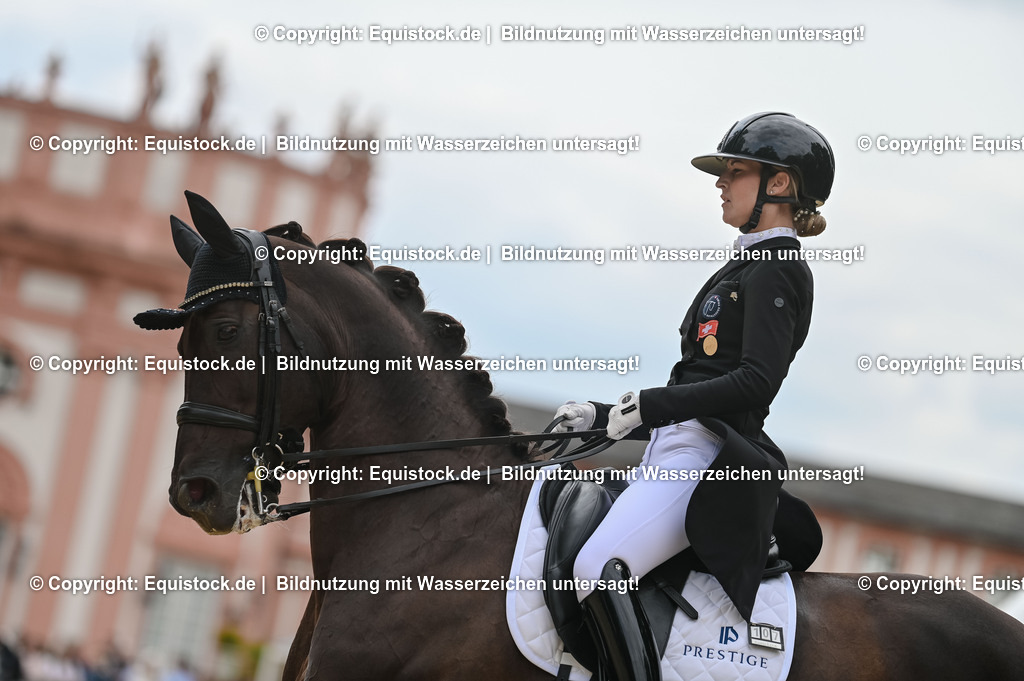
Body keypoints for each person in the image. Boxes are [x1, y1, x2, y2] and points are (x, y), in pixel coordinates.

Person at [554, 112, 833, 680]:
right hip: (674, 448)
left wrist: (649, 406)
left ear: (778, 184)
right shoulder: (747, 262)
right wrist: (606, 416)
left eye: (735, 172)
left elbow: (755, 382)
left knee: (595, 570)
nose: (720, 183)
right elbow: (697, 381)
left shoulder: (776, 267)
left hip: (708, 460)